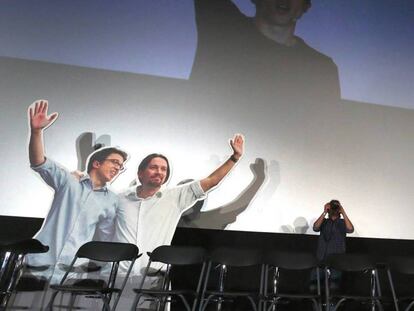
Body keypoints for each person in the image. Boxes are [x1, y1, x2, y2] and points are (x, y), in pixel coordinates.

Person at [113, 134, 245, 277]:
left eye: (164, 169)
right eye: (154, 167)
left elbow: (211, 180)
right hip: (116, 275)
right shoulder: (120, 198)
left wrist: (234, 158)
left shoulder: (174, 197)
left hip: (153, 278)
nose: (159, 172)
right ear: (140, 173)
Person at [26, 100, 128, 283]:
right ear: (97, 163)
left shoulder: (112, 200)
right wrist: (36, 132)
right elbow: (39, 162)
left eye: (120, 166)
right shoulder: (69, 182)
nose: (117, 168)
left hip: (70, 272)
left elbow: (104, 239)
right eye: (114, 162)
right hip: (37, 264)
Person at [311, 199, 354, 290]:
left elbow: (350, 229)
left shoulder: (342, 223)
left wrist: (343, 212)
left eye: (336, 207)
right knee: (314, 286)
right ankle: (316, 304)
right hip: (321, 258)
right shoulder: (325, 222)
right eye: (332, 207)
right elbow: (315, 227)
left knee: (334, 286)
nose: (334, 209)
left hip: (337, 259)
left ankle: (332, 304)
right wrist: (324, 212)